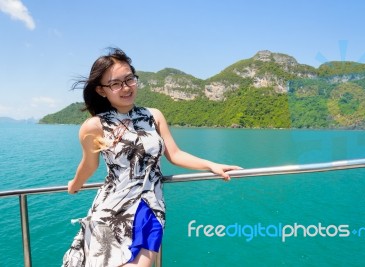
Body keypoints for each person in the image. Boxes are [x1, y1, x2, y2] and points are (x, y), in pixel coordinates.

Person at [62, 48, 241, 267]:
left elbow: (175, 154)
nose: (126, 87)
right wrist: (75, 184)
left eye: (130, 79)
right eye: (116, 83)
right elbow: (89, 166)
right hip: (111, 208)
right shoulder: (94, 126)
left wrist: (212, 165)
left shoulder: (153, 116)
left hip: (149, 204)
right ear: (101, 90)